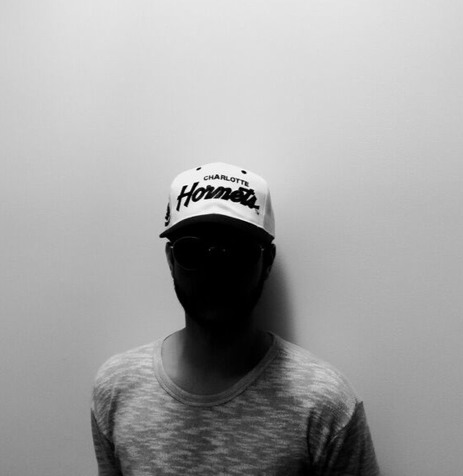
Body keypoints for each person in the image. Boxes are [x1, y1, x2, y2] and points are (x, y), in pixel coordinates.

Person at [91, 162, 380, 475]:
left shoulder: (325, 404)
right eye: (192, 250)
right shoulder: (116, 389)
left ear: (267, 262)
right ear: (171, 260)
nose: (215, 272)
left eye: (238, 251)